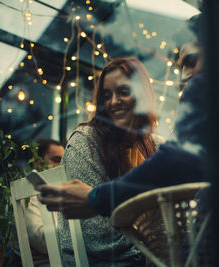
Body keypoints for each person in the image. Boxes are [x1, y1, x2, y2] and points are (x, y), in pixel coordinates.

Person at [38, 15, 219, 221]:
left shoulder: (214, 85)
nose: (186, 76)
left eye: (190, 61)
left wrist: (96, 199)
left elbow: (177, 162)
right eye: (180, 68)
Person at [55, 57, 163, 266]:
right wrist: (155, 246)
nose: (113, 101)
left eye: (123, 91)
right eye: (106, 95)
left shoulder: (157, 146)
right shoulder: (85, 141)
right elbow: (98, 236)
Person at [24, 138, 64, 266]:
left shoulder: (61, 190)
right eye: (56, 160)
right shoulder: (26, 194)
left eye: (63, 161)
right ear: (37, 161)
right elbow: (42, 242)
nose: (61, 165)